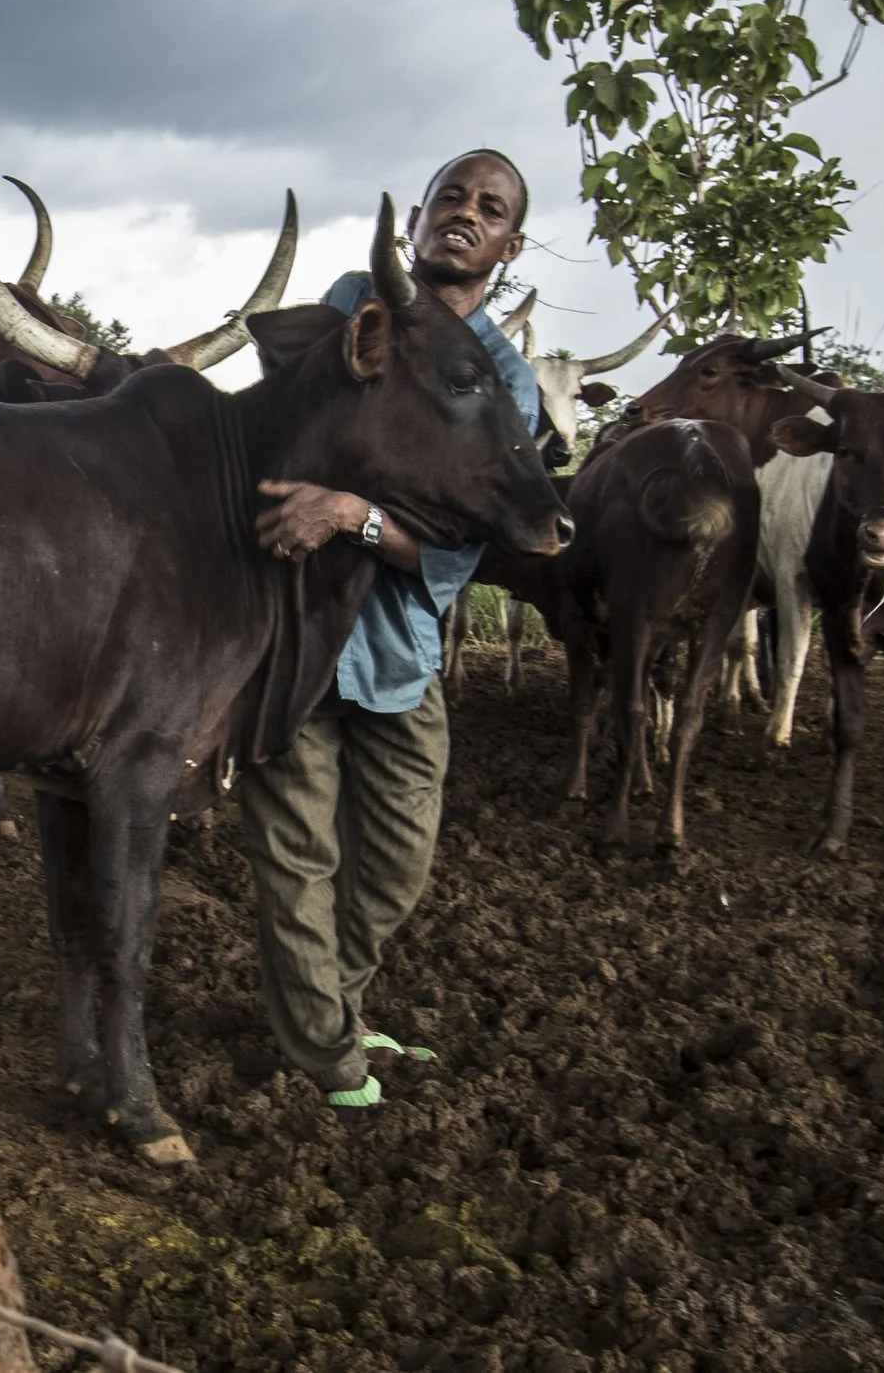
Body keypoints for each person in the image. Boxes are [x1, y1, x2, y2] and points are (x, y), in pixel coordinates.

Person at [242, 149, 542, 1108]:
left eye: (489, 208)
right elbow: (281, 429)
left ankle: (338, 997)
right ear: (414, 218)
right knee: (298, 857)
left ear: (510, 244)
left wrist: (352, 513)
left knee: (399, 860)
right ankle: (327, 1053)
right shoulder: (346, 307)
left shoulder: (509, 383)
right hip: (288, 631)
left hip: (397, 650)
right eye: (450, 196)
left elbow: (462, 552)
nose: (465, 213)